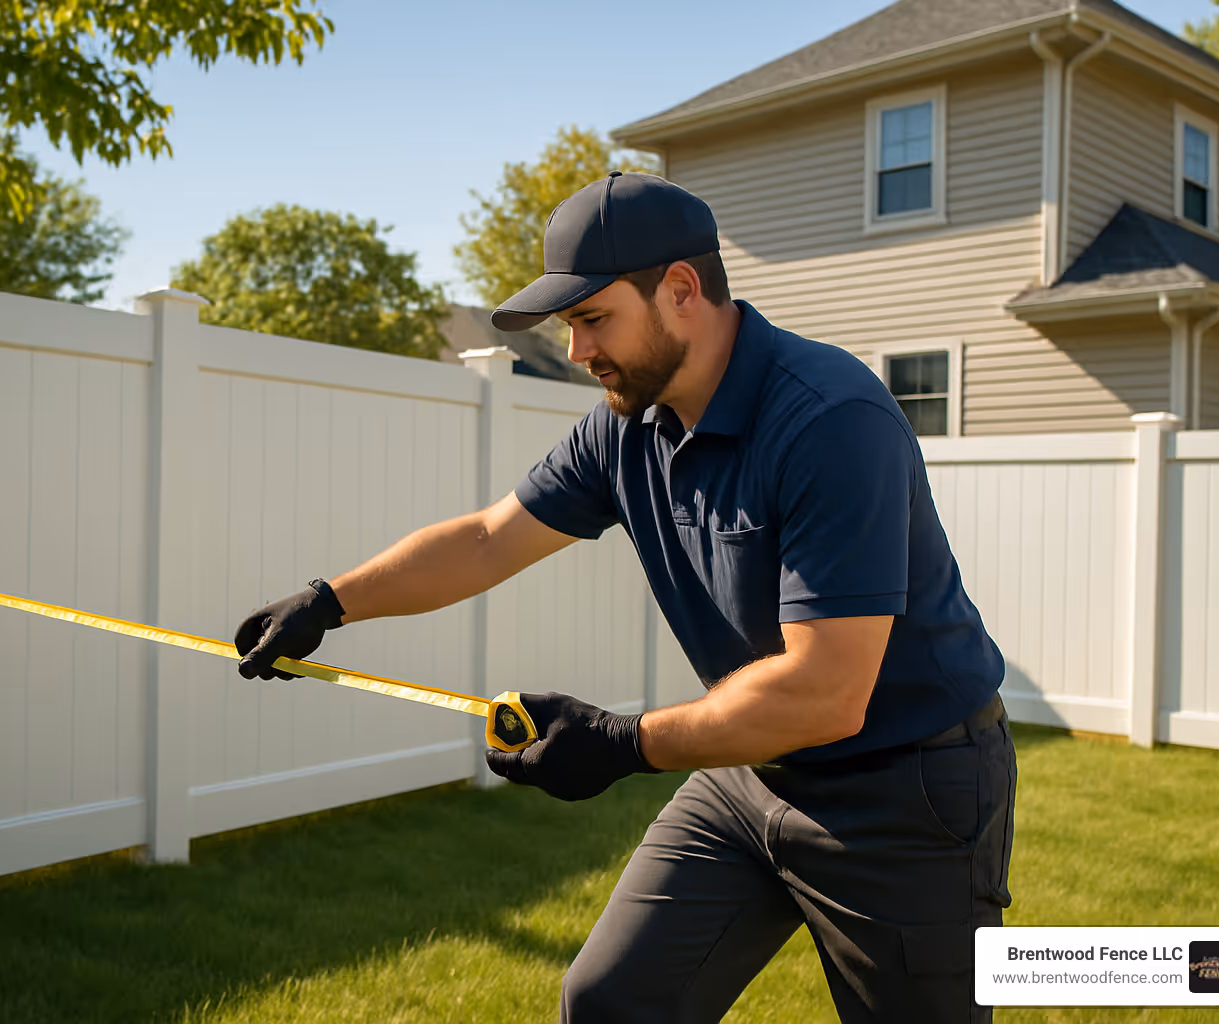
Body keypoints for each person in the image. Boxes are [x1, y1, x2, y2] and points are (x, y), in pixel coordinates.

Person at [234, 171, 1016, 1023]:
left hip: (907, 793)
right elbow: (491, 537)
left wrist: (621, 742)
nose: (576, 353)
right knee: (609, 1002)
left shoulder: (830, 420)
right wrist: (328, 601)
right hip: (752, 774)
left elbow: (826, 691)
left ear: (682, 289)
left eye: (592, 320)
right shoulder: (626, 426)